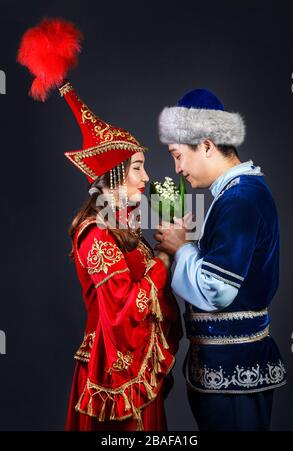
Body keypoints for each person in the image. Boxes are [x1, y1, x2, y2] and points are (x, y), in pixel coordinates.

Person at [17, 18, 182, 431]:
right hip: (113, 373)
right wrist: (164, 256)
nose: (146, 178)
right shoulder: (95, 233)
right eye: (138, 169)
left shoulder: (123, 225)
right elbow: (125, 314)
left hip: (131, 369)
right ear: (112, 176)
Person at [154, 88, 287, 431]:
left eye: (178, 155)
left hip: (233, 376)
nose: (177, 168)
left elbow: (217, 290)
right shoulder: (234, 194)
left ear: (208, 145)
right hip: (224, 373)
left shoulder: (240, 198)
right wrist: (190, 244)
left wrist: (181, 248)